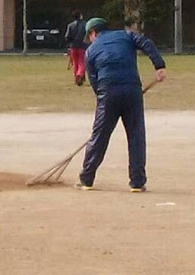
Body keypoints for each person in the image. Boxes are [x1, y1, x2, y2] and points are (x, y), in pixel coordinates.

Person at [77, 17, 167, 192]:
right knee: (136, 136)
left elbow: (94, 80)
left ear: (93, 33)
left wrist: (104, 100)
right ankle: (137, 182)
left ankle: (87, 179)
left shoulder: (90, 51)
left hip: (107, 93)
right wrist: (159, 66)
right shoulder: (127, 35)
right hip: (132, 91)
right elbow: (146, 43)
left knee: (99, 137)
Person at [64, 10, 88, 86]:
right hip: (82, 46)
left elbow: (67, 36)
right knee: (82, 62)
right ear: (80, 16)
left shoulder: (70, 25)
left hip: (73, 47)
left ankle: (76, 79)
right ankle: (80, 74)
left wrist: (71, 42)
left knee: (75, 63)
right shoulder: (85, 24)